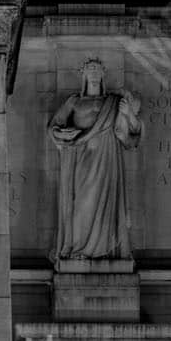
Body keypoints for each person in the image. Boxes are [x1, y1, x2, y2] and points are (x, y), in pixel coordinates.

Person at [47, 58, 141, 262]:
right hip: (81, 156)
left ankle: (105, 251)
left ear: (103, 74)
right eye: (90, 70)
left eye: (97, 70)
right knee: (82, 203)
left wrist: (128, 114)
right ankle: (79, 248)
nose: (94, 73)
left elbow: (131, 135)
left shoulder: (114, 103)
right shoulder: (74, 101)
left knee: (105, 203)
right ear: (84, 74)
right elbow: (54, 127)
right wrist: (63, 134)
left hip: (107, 157)